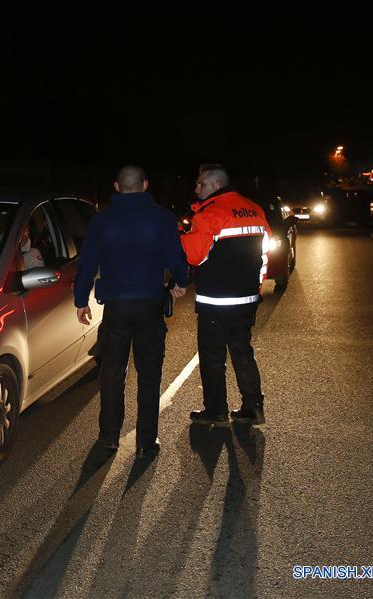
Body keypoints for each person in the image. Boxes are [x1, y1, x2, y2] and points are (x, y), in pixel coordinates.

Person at [74, 165, 189, 458]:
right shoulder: (162, 217)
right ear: (145, 185)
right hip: (150, 304)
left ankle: (109, 437)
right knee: (149, 374)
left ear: (116, 186)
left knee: (112, 372)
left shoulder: (103, 219)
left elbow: (87, 262)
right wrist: (180, 281)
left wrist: (80, 300)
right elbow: (176, 256)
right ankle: (145, 442)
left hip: (116, 307)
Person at [180, 164, 272, 426]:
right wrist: (256, 286)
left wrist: (183, 235)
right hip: (246, 299)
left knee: (212, 357)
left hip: (215, 301)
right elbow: (264, 254)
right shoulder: (254, 209)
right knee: (242, 352)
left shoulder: (209, 214)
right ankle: (254, 407)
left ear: (216, 185)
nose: (196, 188)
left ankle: (216, 411)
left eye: (201, 184)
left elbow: (193, 256)